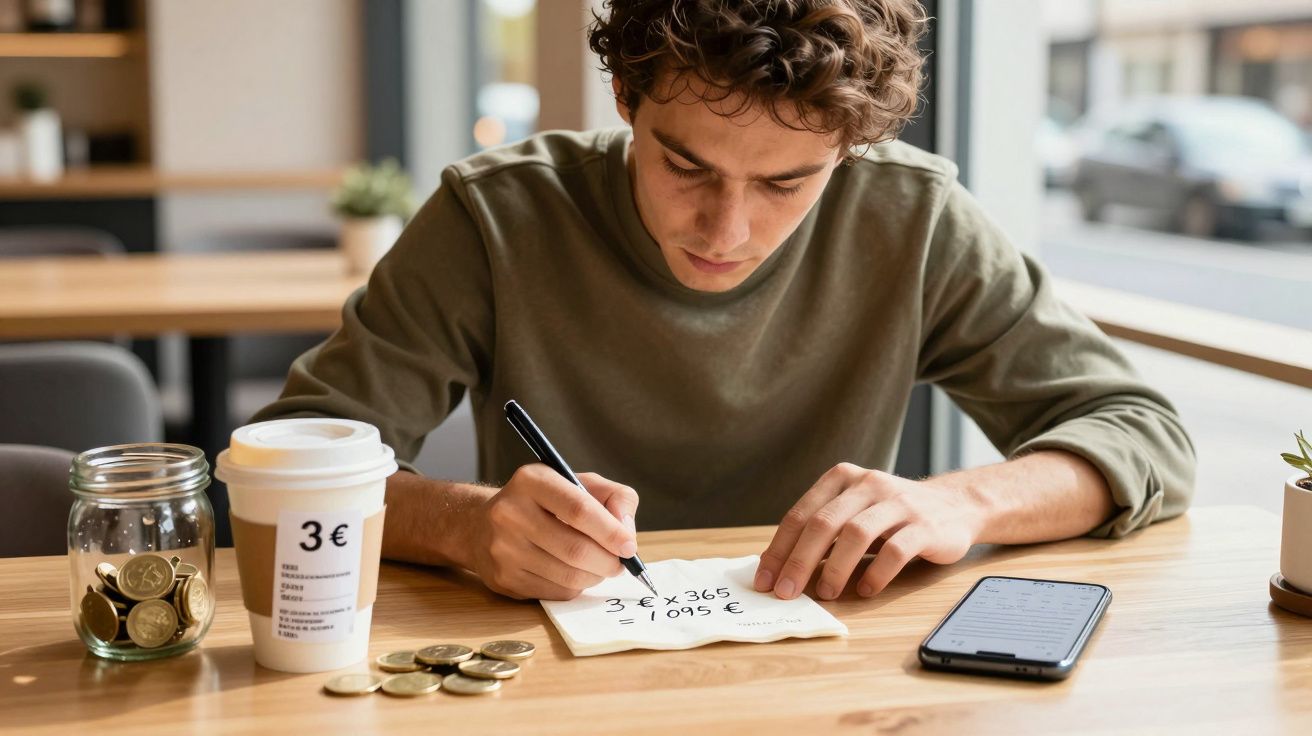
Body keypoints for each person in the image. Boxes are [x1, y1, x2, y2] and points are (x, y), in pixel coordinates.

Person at [253, 0, 1194, 603]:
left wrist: (961, 503)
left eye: (786, 184)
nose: (725, 229)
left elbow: (1141, 431)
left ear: (850, 151)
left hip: (830, 683)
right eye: (685, 165)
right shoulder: (495, 216)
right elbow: (275, 472)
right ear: (626, 95)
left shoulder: (913, 218)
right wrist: (466, 526)